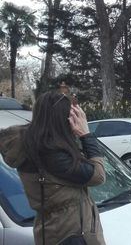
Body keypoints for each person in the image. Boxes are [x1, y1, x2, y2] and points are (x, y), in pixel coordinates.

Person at [0, 90, 106, 245]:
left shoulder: (37, 144)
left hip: (59, 230)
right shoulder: (51, 153)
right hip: (70, 234)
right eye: (71, 115)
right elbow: (98, 176)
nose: (75, 120)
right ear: (62, 119)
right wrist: (86, 135)